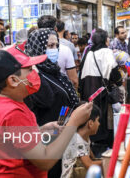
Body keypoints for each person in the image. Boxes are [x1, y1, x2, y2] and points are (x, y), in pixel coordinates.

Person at [0, 46, 93, 178]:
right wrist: (73, 123)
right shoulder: (14, 113)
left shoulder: (2, 103)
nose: (35, 74)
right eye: (30, 70)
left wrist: (40, 130)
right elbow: (44, 161)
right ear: (13, 80)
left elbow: (14, 139)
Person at [24, 27, 80, 178]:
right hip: (46, 139)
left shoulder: (55, 72)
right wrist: (34, 70)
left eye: (56, 45)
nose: (54, 49)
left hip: (60, 136)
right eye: (49, 46)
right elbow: (47, 99)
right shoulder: (33, 75)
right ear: (38, 47)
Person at [79, 29, 122, 157]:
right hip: (101, 91)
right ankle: (103, 153)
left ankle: (92, 146)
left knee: (91, 117)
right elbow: (113, 70)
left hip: (88, 90)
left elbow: (81, 71)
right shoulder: (107, 52)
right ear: (104, 39)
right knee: (102, 119)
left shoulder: (88, 52)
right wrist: (119, 83)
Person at [61, 104, 102, 178]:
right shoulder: (76, 139)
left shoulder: (85, 137)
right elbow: (89, 164)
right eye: (98, 120)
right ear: (90, 123)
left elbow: (92, 158)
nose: (99, 124)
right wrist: (108, 161)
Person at [55, 20, 78, 88]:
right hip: (66, 84)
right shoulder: (70, 45)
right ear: (64, 29)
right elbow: (74, 64)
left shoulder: (45, 44)